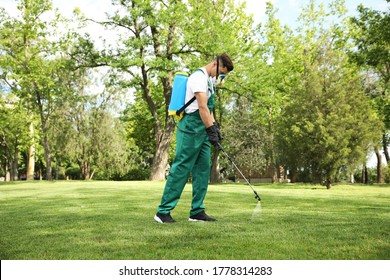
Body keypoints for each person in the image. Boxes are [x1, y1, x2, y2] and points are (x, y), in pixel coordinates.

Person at [154, 53, 234, 223]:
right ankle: (163, 211)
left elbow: (209, 110)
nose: (221, 77)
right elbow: (202, 106)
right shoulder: (198, 77)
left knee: (203, 169)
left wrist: (215, 129)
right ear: (215, 64)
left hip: (203, 129)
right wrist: (210, 128)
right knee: (181, 168)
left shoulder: (210, 81)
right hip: (190, 128)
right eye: (221, 73)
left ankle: (197, 211)